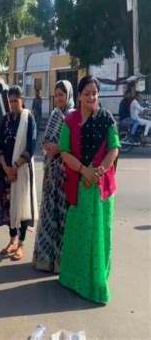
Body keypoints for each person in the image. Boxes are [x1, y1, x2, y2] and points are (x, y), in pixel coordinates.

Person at [59, 76, 120, 304]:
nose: (92, 97)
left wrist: (98, 171)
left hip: (101, 187)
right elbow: (64, 151)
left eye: (95, 93)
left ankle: (97, 283)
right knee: (79, 234)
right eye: (87, 93)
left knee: (101, 234)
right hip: (80, 185)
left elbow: (114, 148)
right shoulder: (70, 121)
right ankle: (75, 280)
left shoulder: (106, 119)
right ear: (79, 96)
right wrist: (84, 171)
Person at [32, 80, 75, 273]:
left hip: (67, 173)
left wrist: (58, 149)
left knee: (62, 216)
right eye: (56, 95)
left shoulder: (73, 116)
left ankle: (60, 262)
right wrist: (49, 148)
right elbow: (44, 139)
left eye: (62, 95)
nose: (58, 98)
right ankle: (44, 259)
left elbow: (75, 145)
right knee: (49, 214)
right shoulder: (55, 115)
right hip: (51, 172)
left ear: (69, 96)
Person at [0, 85, 37, 261]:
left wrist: (16, 166)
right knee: (8, 207)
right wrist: (6, 168)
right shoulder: (5, 120)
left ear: (22, 101)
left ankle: (21, 244)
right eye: (10, 101)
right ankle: (11, 240)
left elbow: (31, 146)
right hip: (6, 171)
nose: (12, 104)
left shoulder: (29, 119)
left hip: (22, 170)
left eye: (15, 101)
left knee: (22, 207)